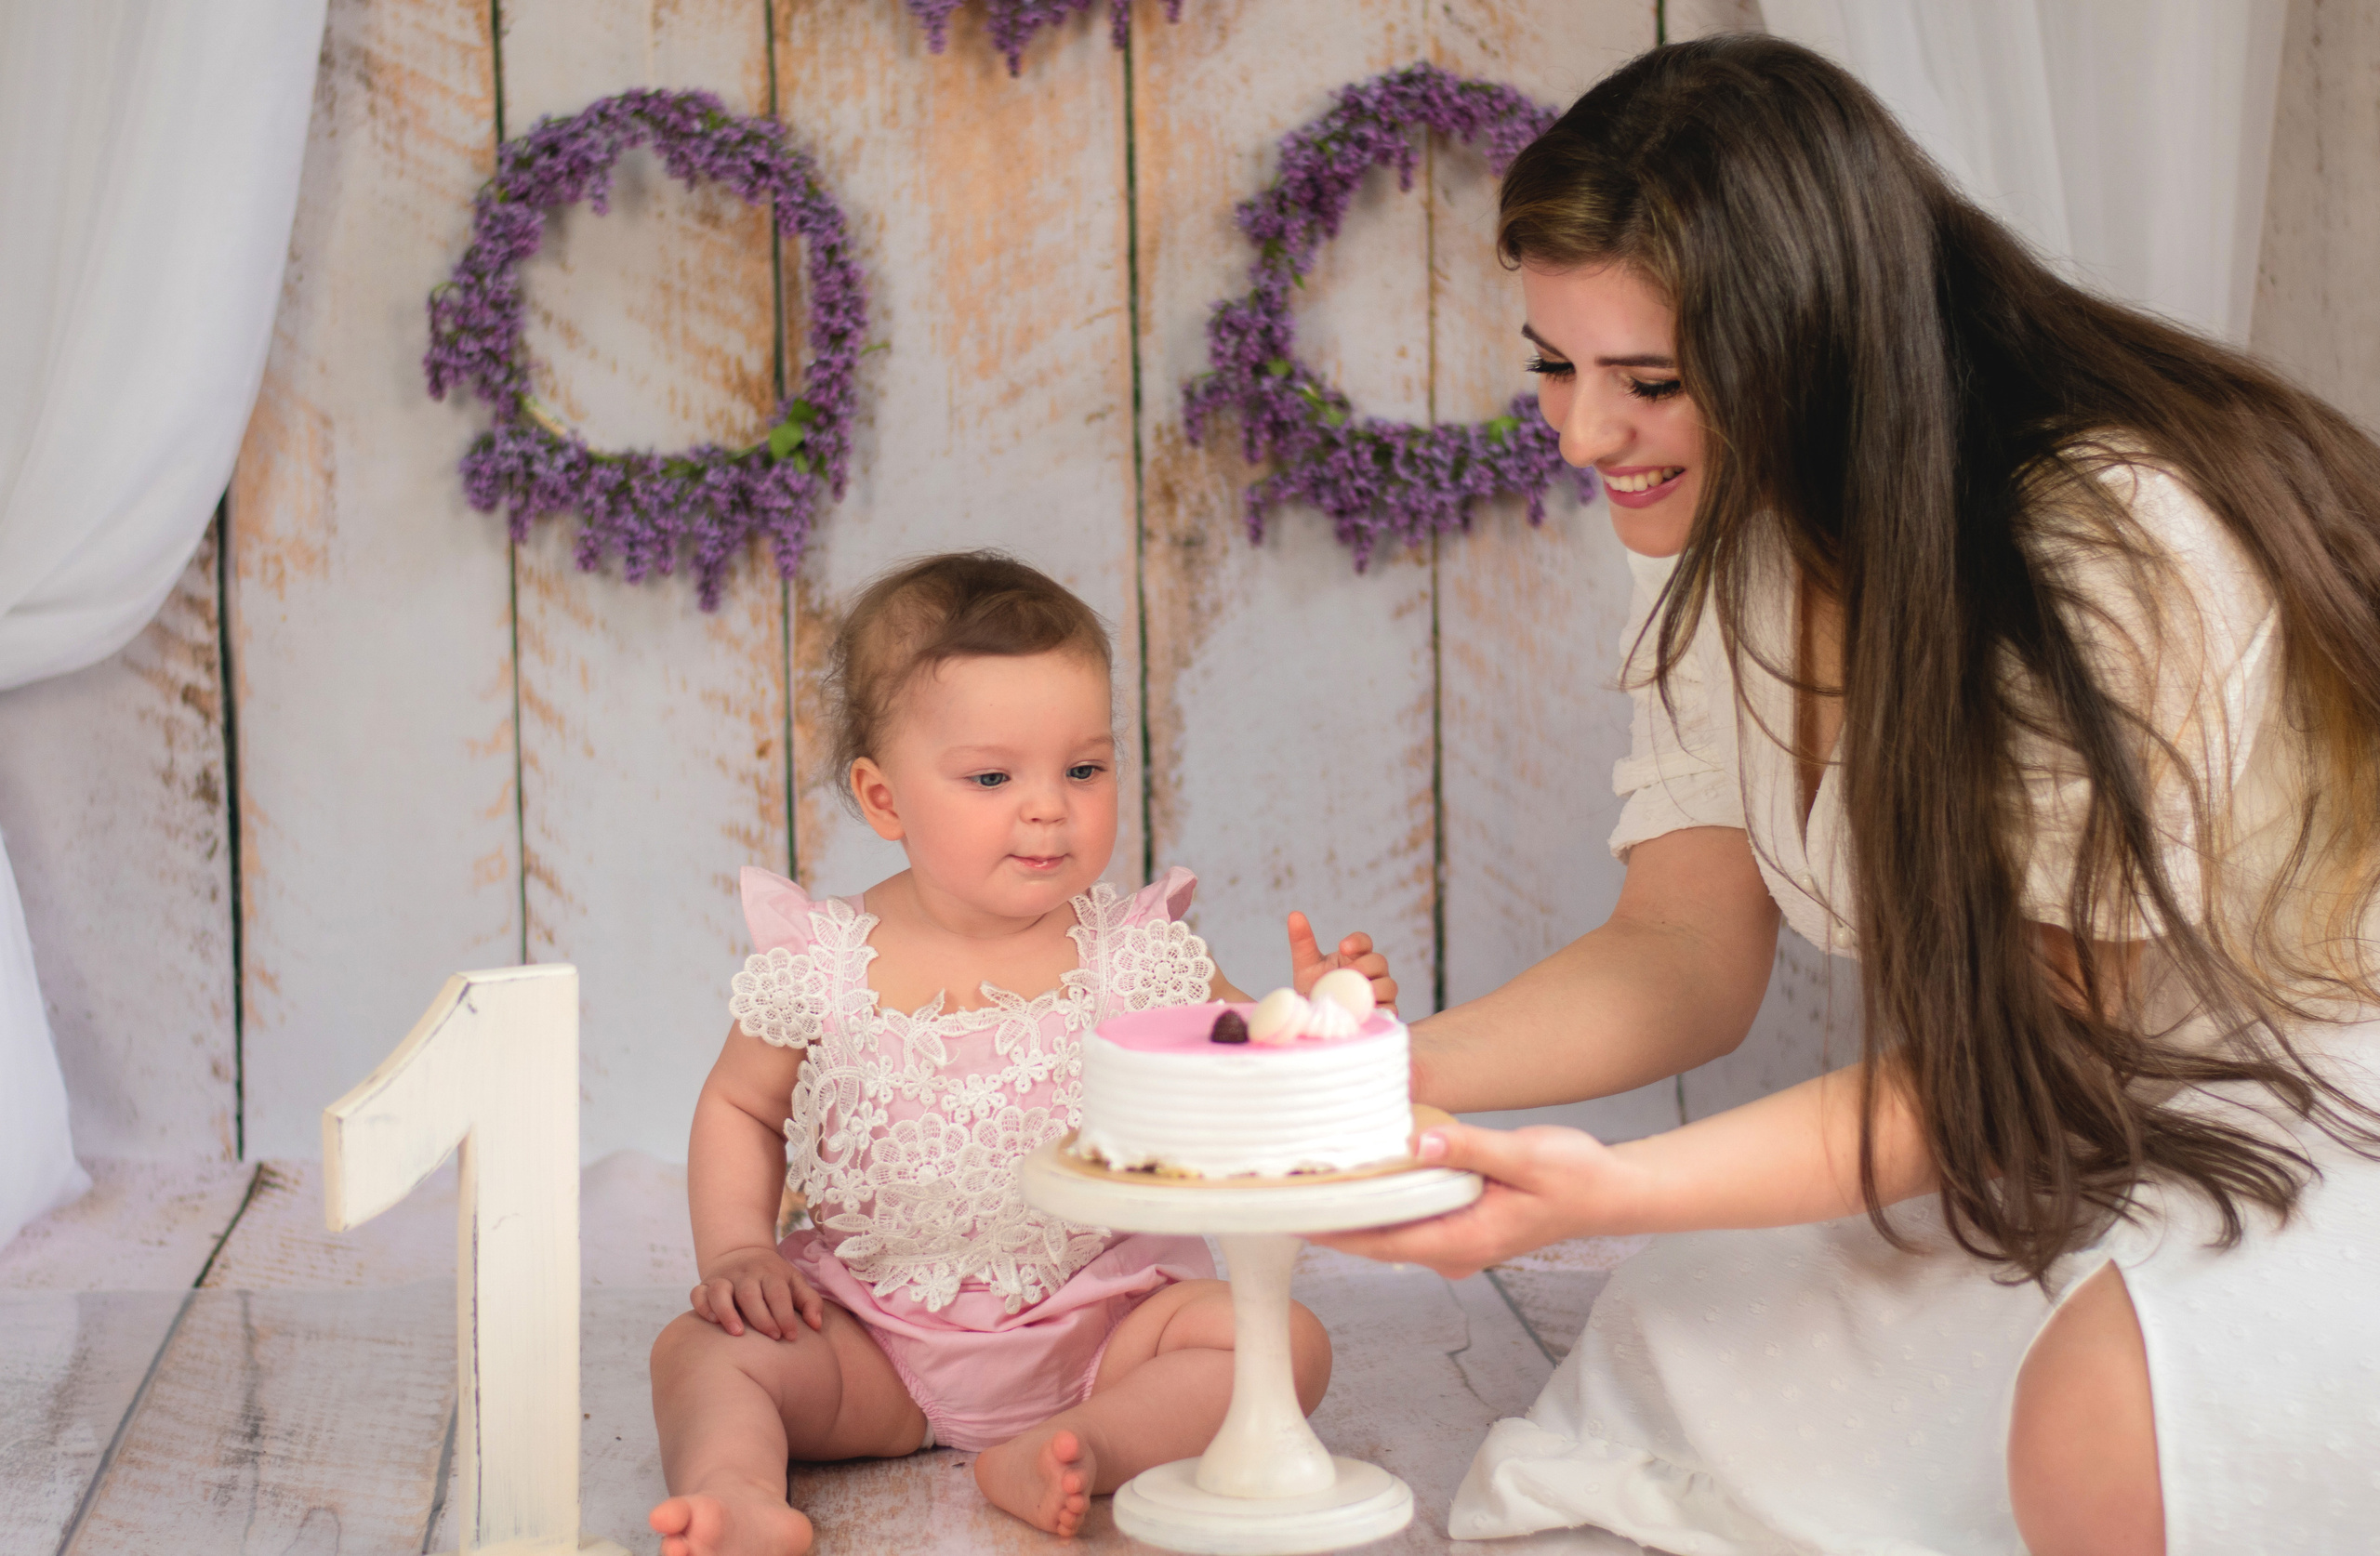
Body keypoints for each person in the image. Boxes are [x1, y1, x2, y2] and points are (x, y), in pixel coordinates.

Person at [1314, 34, 2380, 1556]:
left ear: (1813, 348)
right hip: (2060, 1124)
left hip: (2304, 1099)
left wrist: (1599, 1188)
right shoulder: (1723, 525)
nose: (1581, 433)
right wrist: (1354, 1085)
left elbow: (2023, 1074)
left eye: (1649, 380)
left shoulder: (2099, 540)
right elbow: (1680, 950)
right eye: (1554, 362)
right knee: (1698, 1324)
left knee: (2105, 1431)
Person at [645, 552, 1395, 1556]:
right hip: (871, 1334)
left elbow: (1239, 1058)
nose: (1048, 807)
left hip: (1107, 1323)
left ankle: (1079, 1443)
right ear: (884, 799)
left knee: (1278, 1347)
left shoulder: (1134, 952)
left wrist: (1305, 1022)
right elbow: (741, 1107)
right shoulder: (822, 961)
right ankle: (738, 1492)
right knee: (700, 1353)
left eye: (1082, 770)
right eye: (993, 777)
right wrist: (737, 1250)